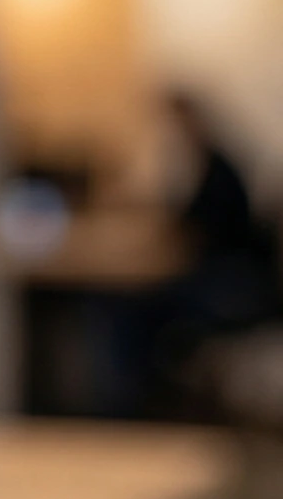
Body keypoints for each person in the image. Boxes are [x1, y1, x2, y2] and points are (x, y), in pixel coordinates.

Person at [100, 89, 283, 417]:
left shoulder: (220, 171)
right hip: (225, 277)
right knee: (132, 303)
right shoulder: (211, 165)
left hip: (229, 284)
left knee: (132, 308)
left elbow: (204, 231)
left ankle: (131, 402)